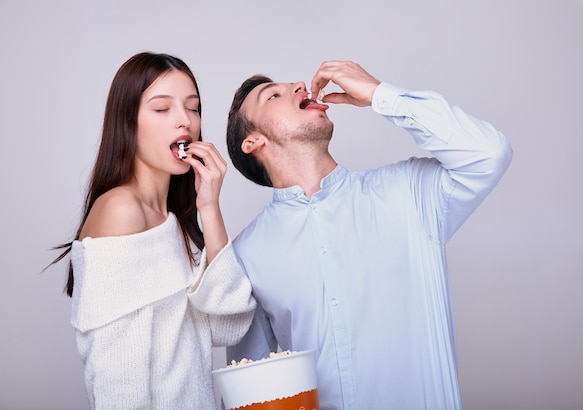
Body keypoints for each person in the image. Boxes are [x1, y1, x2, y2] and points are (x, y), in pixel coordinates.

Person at [225, 60, 513, 409]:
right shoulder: (245, 255)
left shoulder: (409, 192)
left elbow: (489, 154)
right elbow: (255, 387)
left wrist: (380, 94)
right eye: (274, 95)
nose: (298, 85)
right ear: (253, 141)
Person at [49, 52, 256, 409]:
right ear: (128, 122)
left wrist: (210, 208)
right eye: (162, 109)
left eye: (193, 108)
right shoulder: (121, 210)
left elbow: (228, 326)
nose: (184, 122)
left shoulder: (175, 221)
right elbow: (117, 380)